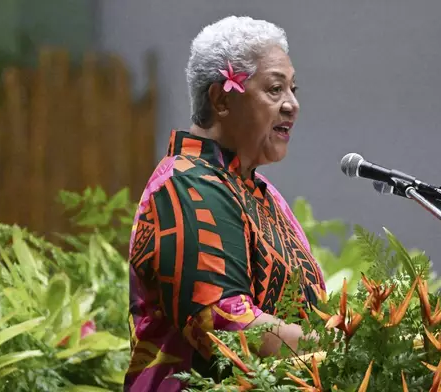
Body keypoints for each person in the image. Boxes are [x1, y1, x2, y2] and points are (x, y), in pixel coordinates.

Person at [124, 16, 327, 391]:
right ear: (220, 99)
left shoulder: (261, 191)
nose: (292, 105)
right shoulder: (185, 185)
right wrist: (336, 346)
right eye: (275, 89)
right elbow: (222, 324)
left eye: (293, 89)